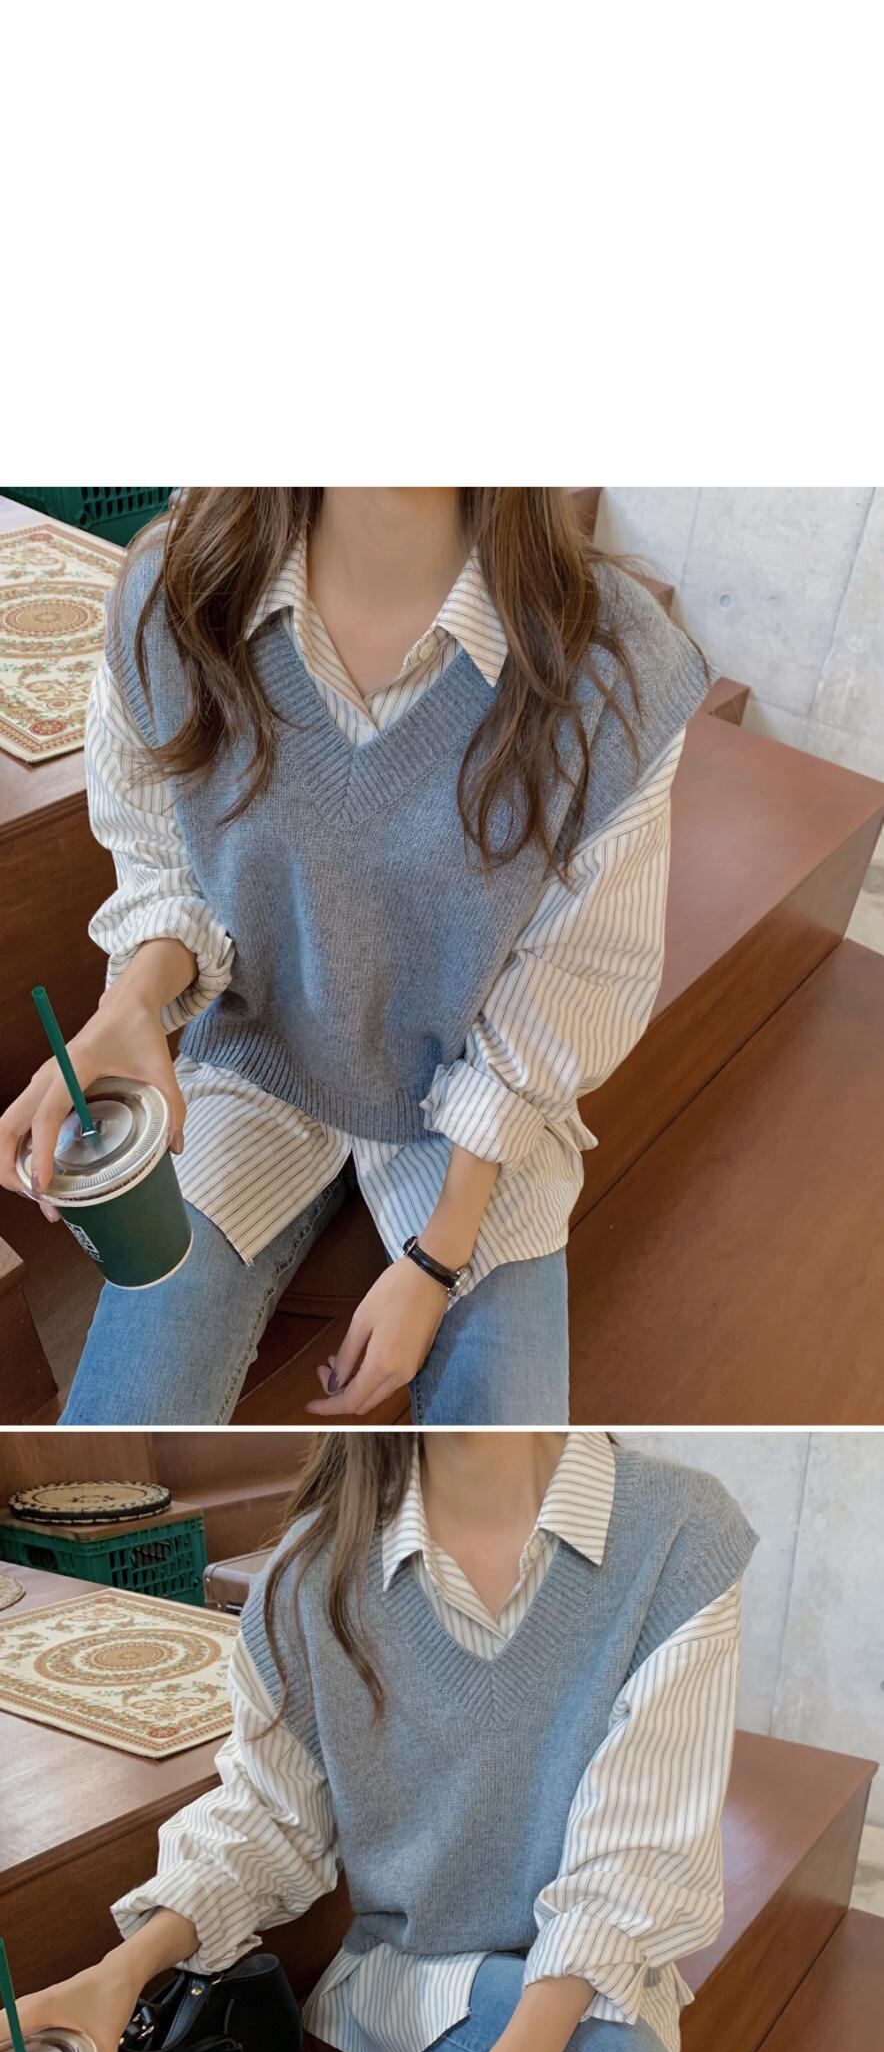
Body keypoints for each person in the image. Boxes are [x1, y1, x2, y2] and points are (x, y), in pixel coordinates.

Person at [15, 1428, 756, 2052]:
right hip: (416, 1978)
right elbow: (268, 1820)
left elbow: (632, 1864)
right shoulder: (312, 1576)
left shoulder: (678, 1535)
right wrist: (120, 1973)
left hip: (587, 1978)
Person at [0, 490, 707, 1426]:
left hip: (470, 1115)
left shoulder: (614, 671)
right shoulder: (174, 596)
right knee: (117, 1422)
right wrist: (133, 1000)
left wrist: (437, 1258)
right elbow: (163, 858)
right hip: (252, 1067)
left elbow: (572, 980)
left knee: (506, 1450)